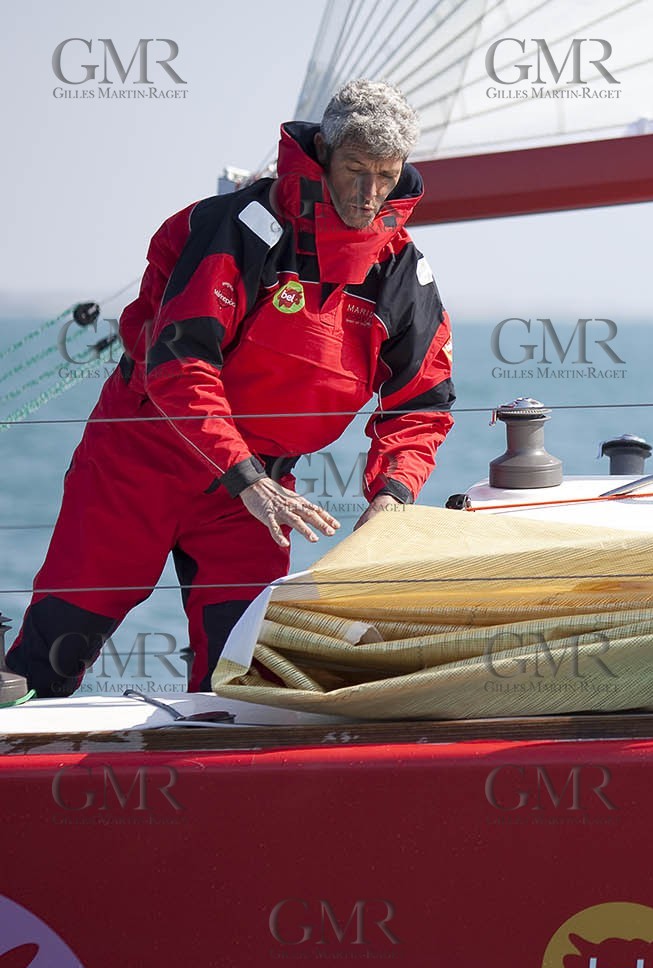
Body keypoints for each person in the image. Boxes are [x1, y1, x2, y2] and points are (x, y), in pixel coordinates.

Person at [5, 80, 455, 697]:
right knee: (57, 646)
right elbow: (181, 363)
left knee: (238, 672)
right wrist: (245, 478)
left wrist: (392, 495)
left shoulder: (403, 273)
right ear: (324, 153)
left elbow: (421, 404)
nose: (369, 193)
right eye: (355, 170)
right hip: (143, 458)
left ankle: (210, 755)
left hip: (258, 487)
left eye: (385, 175)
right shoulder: (237, 229)